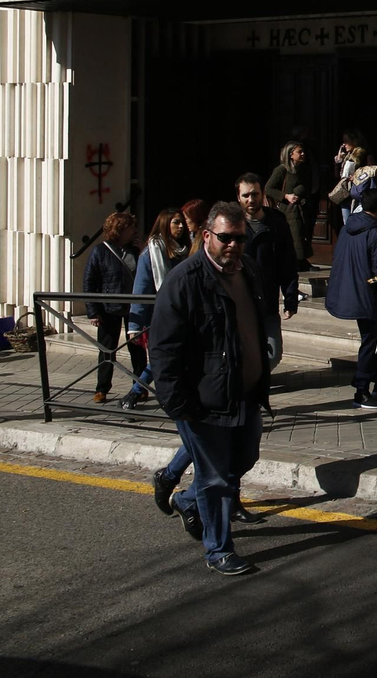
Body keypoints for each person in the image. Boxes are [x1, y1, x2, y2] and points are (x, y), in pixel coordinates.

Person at [148, 202, 282, 576]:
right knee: (216, 477)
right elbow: (163, 348)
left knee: (243, 461)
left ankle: (188, 502)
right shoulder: (185, 280)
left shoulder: (249, 271)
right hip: (204, 400)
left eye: (239, 238)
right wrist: (177, 403)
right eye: (225, 237)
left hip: (246, 393)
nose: (233, 245)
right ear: (207, 236)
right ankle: (218, 550)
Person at [327, 188, 377, 410]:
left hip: (349, 291)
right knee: (371, 341)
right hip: (369, 295)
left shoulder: (349, 227)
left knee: (375, 339)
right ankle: (361, 389)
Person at [121, 210, 188, 410]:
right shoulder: (151, 254)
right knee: (162, 360)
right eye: (176, 222)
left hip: (184, 316)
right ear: (165, 225)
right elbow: (140, 289)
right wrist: (134, 324)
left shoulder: (185, 251)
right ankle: (134, 393)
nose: (181, 226)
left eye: (182, 222)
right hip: (160, 318)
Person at [84, 211, 139, 403]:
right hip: (109, 308)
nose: (134, 231)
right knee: (107, 349)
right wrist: (93, 311)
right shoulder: (100, 251)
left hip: (133, 307)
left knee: (136, 348)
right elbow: (90, 282)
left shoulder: (135, 250)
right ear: (120, 230)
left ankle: (139, 387)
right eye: (130, 228)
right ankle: (102, 389)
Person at [236, 174, 299, 320]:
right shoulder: (231, 225)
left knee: (273, 343)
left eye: (255, 194)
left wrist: (290, 300)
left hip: (268, 303)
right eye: (246, 195)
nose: (251, 200)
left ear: (263, 194)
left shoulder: (277, 222)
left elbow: (288, 262)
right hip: (239, 305)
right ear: (238, 197)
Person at [266, 141, 314, 269]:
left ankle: (302, 261)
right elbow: (268, 189)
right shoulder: (281, 170)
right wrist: (286, 196)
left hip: (300, 208)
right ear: (291, 154)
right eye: (300, 152)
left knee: (302, 234)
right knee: (294, 235)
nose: (303, 154)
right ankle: (296, 262)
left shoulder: (301, 169)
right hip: (288, 209)